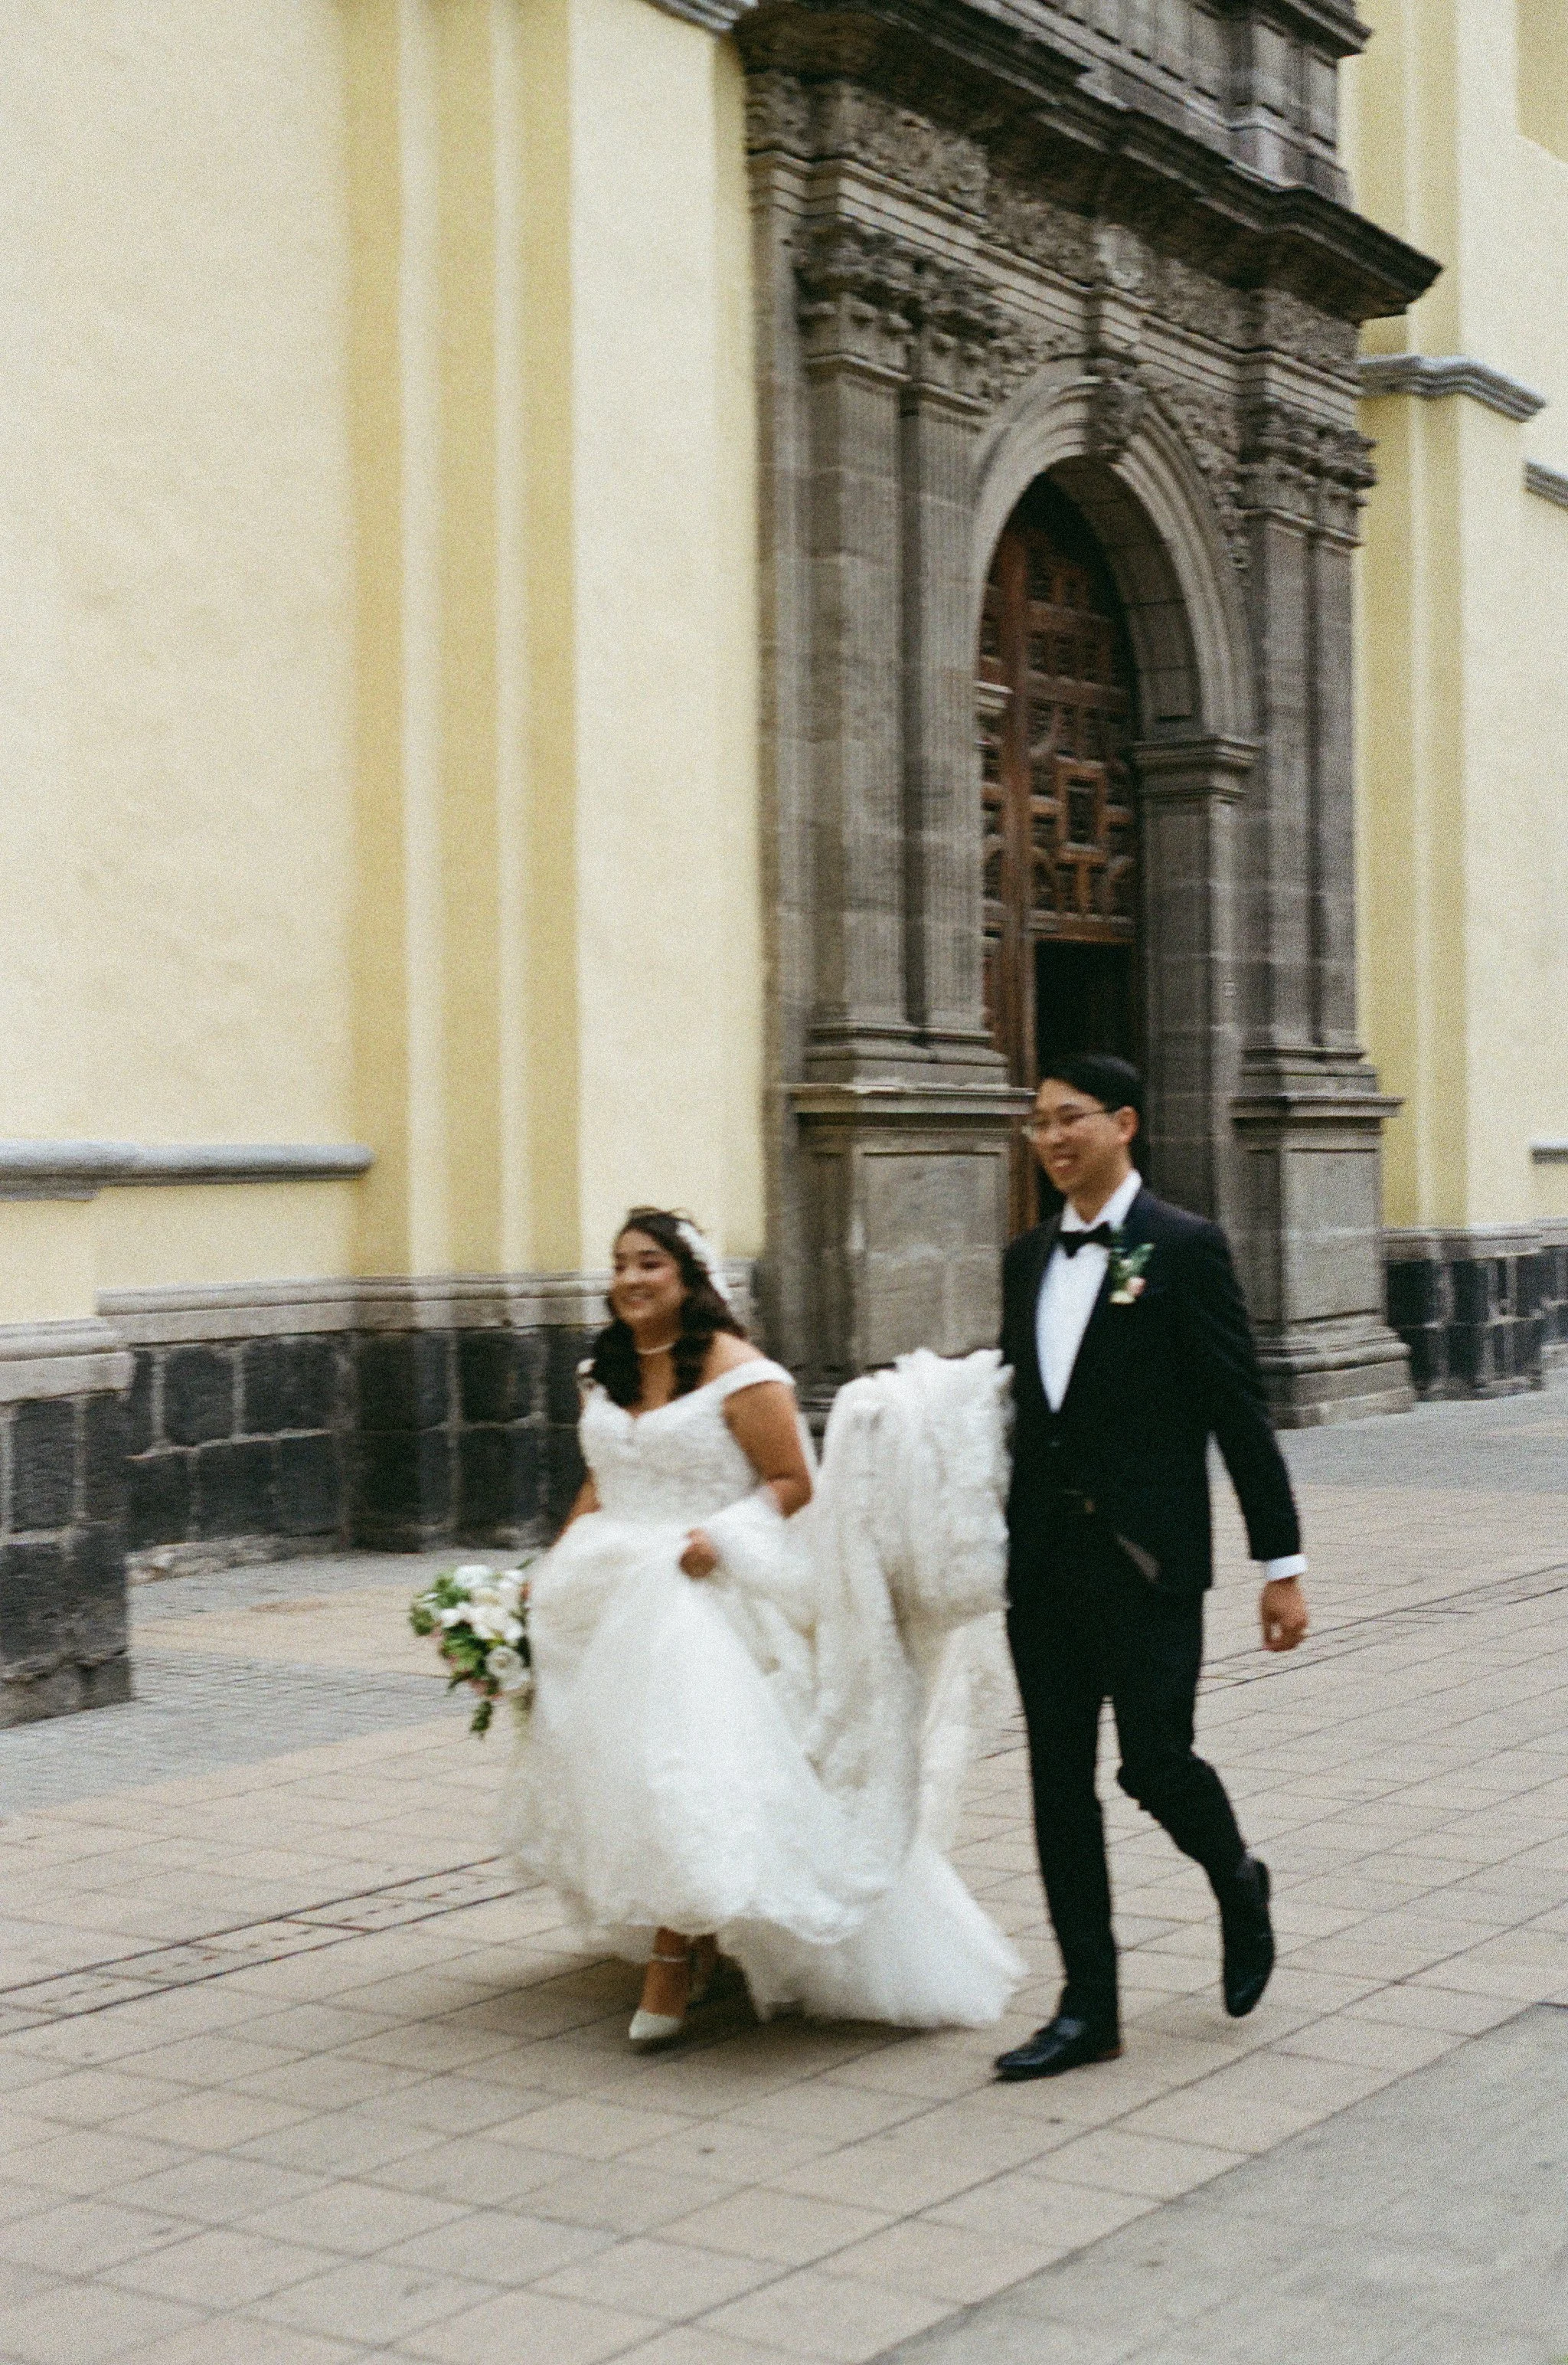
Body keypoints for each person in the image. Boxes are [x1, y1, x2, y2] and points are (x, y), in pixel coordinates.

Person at [501, 1206, 1021, 2049]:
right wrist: (549, 1571)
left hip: (703, 1587)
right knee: (620, 1771)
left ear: (689, 1279)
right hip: (607, 1584)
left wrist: (721, 1538)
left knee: (687, 1771)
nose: (630, 1280)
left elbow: (790, 1482)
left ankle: (676, 1952)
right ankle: (688, 1933)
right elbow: (602, 1480)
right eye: (620, 1263)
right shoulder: (602, 1370)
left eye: (650, 1266)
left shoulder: (743, 1375)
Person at [995, 1056, 1309, 2082]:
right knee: (1055, 1784)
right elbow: (1016, 1415)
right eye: (1038, 1123)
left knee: (1152, 1762)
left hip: (1144, 1563)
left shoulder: (1184, 1249)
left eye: (1068, 1118)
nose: (1050, 1138)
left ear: (1124, 1123)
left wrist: (1282, 1561)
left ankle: (1236, 1876)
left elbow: (1235, 1410)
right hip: (1043, 1566)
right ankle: (1090, 2006)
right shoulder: (1026, 1258)